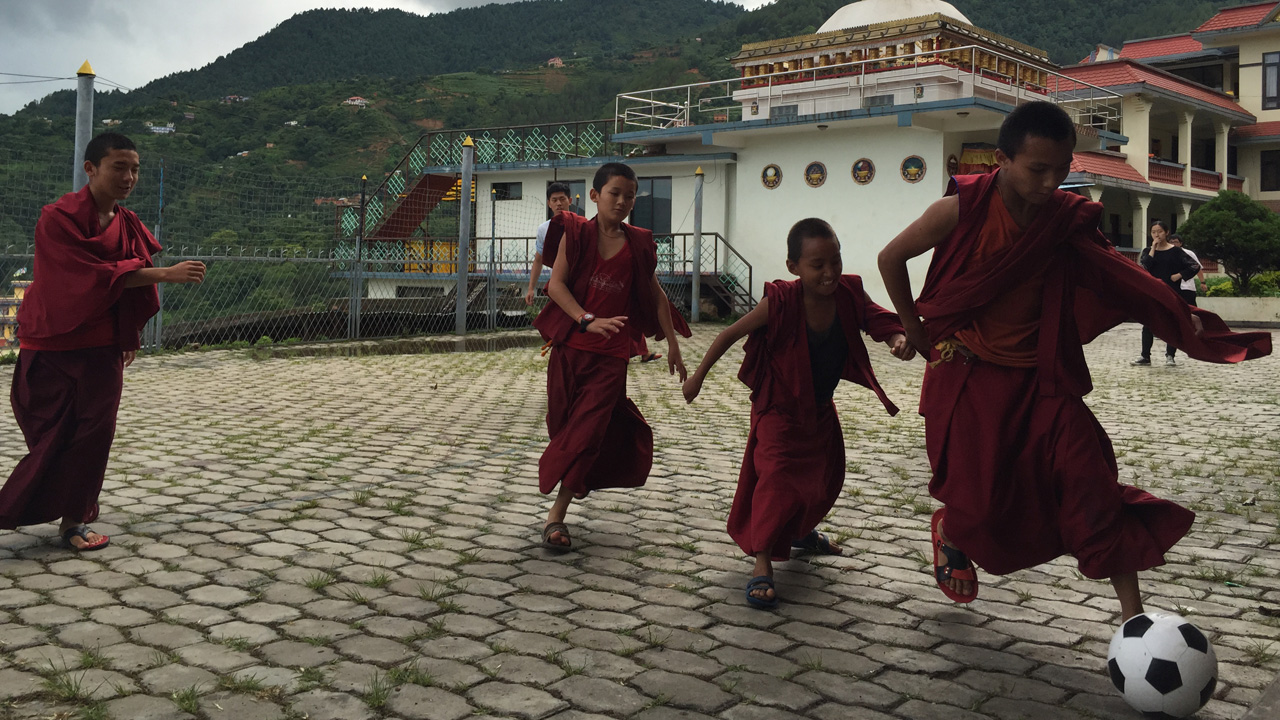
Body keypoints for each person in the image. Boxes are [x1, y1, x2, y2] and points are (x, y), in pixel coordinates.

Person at [877, 101, 1270, 620]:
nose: (1049, 183)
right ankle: (952, 529)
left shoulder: (1064, 219)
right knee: (984, 507)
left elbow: (1118, 274)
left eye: (1061, 170)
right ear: (1001, 159)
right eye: (1037, 169)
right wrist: (912, 326)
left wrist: (1176, 311)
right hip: (971, 379)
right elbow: (891, 258)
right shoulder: (961, 210)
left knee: (1093, 485)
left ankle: (1134, 620)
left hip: (1044, 384)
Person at [683, 218, 914, 609]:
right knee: (777, 479)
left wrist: (898, 338)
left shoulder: (849, 293)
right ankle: (762, 564)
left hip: (819, 406)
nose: (829, 273)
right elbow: (728, 334)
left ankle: (802, 532)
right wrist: (698, 378)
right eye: (817, 264)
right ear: (793, 267)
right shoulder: (780, 301)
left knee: (825, 477)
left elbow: (879, 321)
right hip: (778, 409)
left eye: (835, 261)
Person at [0, 133, 206, 551]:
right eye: (119, 167)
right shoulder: (56, 218)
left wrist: (128, 334)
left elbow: (123, 289)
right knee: (51, 433)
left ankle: (74, 522)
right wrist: (164, 274)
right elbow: (87, 276)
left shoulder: (128, 224)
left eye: (135, 169)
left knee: (96, 433)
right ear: (90, 168)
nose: (129, 177)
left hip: (102, 344)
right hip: (52, 340)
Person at [532, 162, 690, 551]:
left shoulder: (636, 244)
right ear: (595, 196)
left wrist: (672, 342)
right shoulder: (577, 232)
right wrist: (586, 319)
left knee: (586, 434)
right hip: (570, 349)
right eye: (615, 193)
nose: (622, 201)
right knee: (563, 426)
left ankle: (557, 515)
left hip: (611, 358)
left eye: (630, 196)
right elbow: (556, 286)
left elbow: (656, 296)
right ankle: (577, 475)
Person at [1133, 221, 1202, 367]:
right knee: (1148, 323)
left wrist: (1180, 275)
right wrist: (1153, 248)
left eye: (1160, 231)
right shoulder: (1148, 251)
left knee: (1172, 322)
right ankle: (1145, 356)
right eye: (1153, 232)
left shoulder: (1176, 251)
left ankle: (1170, 355)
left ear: (1166, 232)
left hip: (1171, 290)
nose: (1157, 235)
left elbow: (1194, 266)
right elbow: (1144, 267)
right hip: (1153, 291)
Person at [524, 182, 573, 306]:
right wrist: (531, 288)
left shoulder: (582, 226)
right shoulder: (544, 229)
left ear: (570, 200)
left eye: (562, 199)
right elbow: (538, 259)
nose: (559, 204)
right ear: (549, 203)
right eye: (554, 200)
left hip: (579, 282)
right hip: (557, 284)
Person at [1170, 233, 1208, 303]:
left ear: (1180, 243)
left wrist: (1202, 282)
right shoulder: (1167, 254)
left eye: (1175, 242)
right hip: (1172, 287)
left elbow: (1197, 268)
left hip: (1187, 287)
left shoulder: (1188, 253)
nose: (1173, 244)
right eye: (1171, 242)